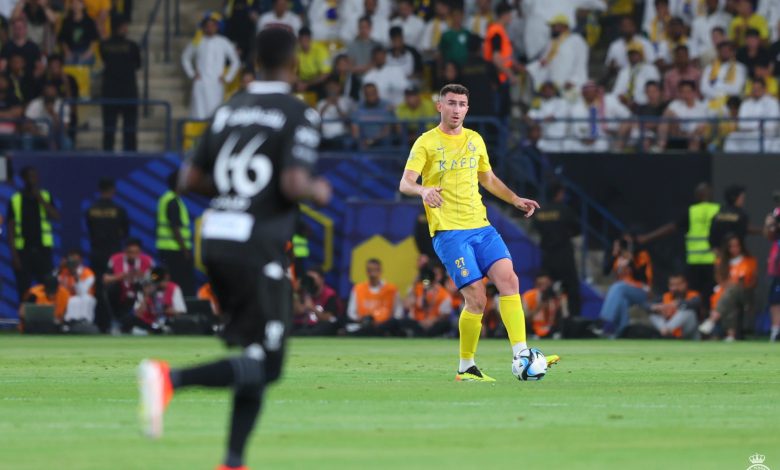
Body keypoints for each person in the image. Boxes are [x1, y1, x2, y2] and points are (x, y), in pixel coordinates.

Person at [138, 27, 331, 470]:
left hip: (217, 238)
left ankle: (232, 461)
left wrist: (236, 195)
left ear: (254, 63)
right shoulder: (298, 111)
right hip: (257, 247)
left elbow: (188, 179)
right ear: (295, 63)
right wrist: (318, 190)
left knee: (253, 356)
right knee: (270, 365)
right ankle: (169, 379)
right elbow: (293, 184)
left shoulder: (228, 108)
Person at [399, 83, 559, 382]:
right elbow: (405, 182)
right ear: (439, 106)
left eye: (462, 104)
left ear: (467, 109)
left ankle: (522, 353)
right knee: (476, 298)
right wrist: (423, 190)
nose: (456, 109)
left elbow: (488, 178)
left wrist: (515, 199)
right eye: (451, 103)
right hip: (449, 231)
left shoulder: (475, 139)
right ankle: (466, 366)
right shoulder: (426, 142)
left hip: (481, 227)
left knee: (509, 280)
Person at [639, 182, 720, 298]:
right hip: (713, 260)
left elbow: (671, 227)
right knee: (713, 292)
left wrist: (647, 237)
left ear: (697, 196)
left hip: (694, 260)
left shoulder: (692, 211)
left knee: (694, 294)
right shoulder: (718, 210)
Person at [6, 166, 59, 302]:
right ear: (24, 179)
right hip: (23, 252)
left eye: (35, 176)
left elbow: (56, 216)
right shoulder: (16, 199)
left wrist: (40, 199)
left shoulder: (45, 196)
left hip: (43, 251)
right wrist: (14, 256)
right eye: (30, 177)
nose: (33, 180)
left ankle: (46, 313)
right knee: (24, 290)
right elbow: (10, 230)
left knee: (47, 287)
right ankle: (25, 314)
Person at [85, 177, 129, 331]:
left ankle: (101, 323)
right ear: (112, 190)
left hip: (96, 253)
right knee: (116, 287)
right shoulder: (119, 210)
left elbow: (90, 230)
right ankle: (117, 321)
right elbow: (124, 233)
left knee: (98, 288)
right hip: (114, 254)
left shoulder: (91, 210)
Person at [532, 182, 581, 317]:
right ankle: (572, 320)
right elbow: (577, 229)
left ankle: (549, 320)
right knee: (571, 288)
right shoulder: (565, 210)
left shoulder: (540, 212)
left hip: (547, 255)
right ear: (559, 193)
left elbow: (536, 228)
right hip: (564, 254)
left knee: (546, 290)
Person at [181, 12, 241, 119]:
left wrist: (227, 77)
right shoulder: (197, 41)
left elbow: (235, 61)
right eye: (207, 25)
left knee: (215, 111)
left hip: (217, 83)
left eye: (213, 25)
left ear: (217, 27)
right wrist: (192, 74)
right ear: (203, 27)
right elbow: (185, 58)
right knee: (199, 112)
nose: (210, 28)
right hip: (201, 82)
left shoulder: (223, 42)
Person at [700, 233, 757, 341]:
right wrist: (730, 285)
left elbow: (753, 281)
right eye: (731, 246)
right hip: (726, 293)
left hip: (745, 293)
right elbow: (720, 280)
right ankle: (731, 335)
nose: (734, 249)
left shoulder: (749, 260)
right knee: (730, 297)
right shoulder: (721, 261)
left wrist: (738, 285)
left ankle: (712, 320)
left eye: (737, 246)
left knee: (732, 291)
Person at [599, 232, 653, 337]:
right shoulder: (618, 257)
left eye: (629, 242)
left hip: (641, 291)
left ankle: (603, 321)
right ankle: (622, 332)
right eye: (624, 242)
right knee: (622, 300)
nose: (627, 245)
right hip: (623, 291)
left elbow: (643, 279)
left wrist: (631, 262)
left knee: (618, 287)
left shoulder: (641, 255)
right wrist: (614, 255)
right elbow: (605, 272)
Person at [99, 16, 140, 152]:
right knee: (128, 129)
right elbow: (138, 64)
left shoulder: (104, 45)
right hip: (127, 91)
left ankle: (108, 155)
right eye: (124, 26)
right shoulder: (132, 46)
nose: (126, 29)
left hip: (111, 91)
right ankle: (129, 156)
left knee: (110, 130)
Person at [526, 14, 590, 95]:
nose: (551, 29)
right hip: (553, 87)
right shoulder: (551, 43)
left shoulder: (576, 40)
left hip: (571, 86)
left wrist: (574, 80)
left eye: (554, 26)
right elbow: (543, 63)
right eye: (551, 27)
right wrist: (529, 69)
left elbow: (581, 63)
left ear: (564, 27)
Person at [156, 171, 195, 296]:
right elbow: (175, 227)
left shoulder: (166, 199)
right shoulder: (172, 201)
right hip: (176, 251)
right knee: (182, 286)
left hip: (168, 250)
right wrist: (185, 250)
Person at [104, 238, 154, 330]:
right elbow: (105, 279)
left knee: (149, 289)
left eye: (136, 252)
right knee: (111, 288)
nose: (133, 255)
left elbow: (155, 282)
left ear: (140, 252)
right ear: (125, 251)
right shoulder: (115, 259)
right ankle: (114, 321)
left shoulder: (148, 261)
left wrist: (143, 276)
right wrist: (122, 276)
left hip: (140, 292)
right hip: (120, 292)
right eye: (130, 252)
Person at [346, 258, 403, 335]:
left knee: (394, 324)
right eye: (370, 270)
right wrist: (360, 320)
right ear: (367, 272)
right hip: (364, 324)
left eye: (376, 270)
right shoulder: (358, 289)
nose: (373, 273)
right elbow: (351, 312)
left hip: (385, 326)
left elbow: (398, 312)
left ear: (380, 271)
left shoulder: (391, 290)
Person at [125, 266, 187, 334]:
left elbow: (181, 312)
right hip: (149, 323)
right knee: (131, 322)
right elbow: (138, 315)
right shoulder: (144, 290)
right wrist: (146, 296)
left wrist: (166, 310)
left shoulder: (174, 288)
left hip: (166, 321)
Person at [656, 80, 709, 151]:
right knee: (667, 114)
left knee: (698, 134)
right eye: (683, 92)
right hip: (677, 132)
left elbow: (703, 125)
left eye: (688, 91)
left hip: (694, 134)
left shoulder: (702, 107)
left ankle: (692, 156)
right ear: (679, 93)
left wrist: (693, 133)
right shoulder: (674, 104)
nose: (685, 94)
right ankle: (660, 146)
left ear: (694, 92)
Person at [403, 262, 453, 337]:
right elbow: (406, 305)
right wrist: (414, 285)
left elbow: (445, 314)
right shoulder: (417, 288)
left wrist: (432, 321)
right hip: (417, 322)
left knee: (445, 324)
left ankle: (423, 335)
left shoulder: (443, 294)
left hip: (433, 323)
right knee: (400, 322)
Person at [648, 273, 702, 339]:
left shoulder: (693, 295)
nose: (675, 288)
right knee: (653, 315)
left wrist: (677, 304)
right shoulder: (666, 296)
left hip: (688, 332)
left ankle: (667, 329)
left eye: (678, 284)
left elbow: (696, 303)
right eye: (672, 285)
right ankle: (665, 330)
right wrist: (657, 308)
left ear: (685, 284)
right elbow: (646, 305)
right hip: (668, 331)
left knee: (687, 312)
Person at [294, 267, 343, 336]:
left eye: (312, 279)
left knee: (328, 326)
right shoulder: (303, 292)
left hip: (321, 325)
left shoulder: (330, 295)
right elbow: (297, 311)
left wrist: (312, 308)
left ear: (322, 279)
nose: (310, 282)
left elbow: (329, 318)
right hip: (304, 325)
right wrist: (295, 291)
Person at [612, 43, 661, 110]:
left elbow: (655, 91)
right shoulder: (623, 72)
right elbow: (617, 92)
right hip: (626, 106)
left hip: (645, 105)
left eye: (635, 54)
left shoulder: (651, 69)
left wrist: (638, 103)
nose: (633, 56)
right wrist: (624, 100)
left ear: (641, 55)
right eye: (630, 54)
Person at [57, 249, 97, 325]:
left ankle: (85, 323)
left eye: (75, 259)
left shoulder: (87, 272)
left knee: (83, 299)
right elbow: (54, 285)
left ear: (81, 260)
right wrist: (59, 268)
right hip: (67, 299)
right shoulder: (63, 272)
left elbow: (82, 292)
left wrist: (75, 275)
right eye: (71, 259)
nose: (73, 262)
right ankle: (67, 324)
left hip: (84, 299)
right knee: (70, 300)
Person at [522, 271, 567, 339]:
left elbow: (565, 316)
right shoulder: (528, 296)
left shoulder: (558, 296)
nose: (543, 288)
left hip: (552, 330)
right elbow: (524, 319)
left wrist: (560, 302)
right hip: (533, 330)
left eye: (546, 284)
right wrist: (539, 307)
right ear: (535, 284)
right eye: (540, 284)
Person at [351, 82, 393, 149]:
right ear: (364, 94)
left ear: (377, 92)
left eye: (373, 93)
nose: (370, 95)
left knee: (387, 141)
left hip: (381, 140)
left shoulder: (386, 106)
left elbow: (386, 130)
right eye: (367, 93)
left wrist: (372, 141)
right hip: (362, 141)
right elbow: (355, 130)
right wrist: (361, 141)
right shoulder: (357, 107)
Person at [709, 184, 752, 248]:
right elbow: (742, 235)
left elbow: (712, 235)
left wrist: (716, 249)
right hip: (735, 251)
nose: (743, 200)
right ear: (734, 198)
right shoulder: (741, 215)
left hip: (719, 251)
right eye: (742, 198)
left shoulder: (718, 214)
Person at [57, 0, 99, 65]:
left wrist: (86, 55)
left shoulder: (89, 21)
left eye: (78, 3)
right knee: (68, 62)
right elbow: (62, 40)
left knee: (82, 63)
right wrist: (67, 53)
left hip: (85, 51)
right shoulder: (66, 21)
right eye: (73, 3)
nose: (75, 6)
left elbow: (94, 41)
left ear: (83, 5)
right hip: (71, 51)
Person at [295, 27, 331, 95]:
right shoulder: (296, 51)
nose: (304, 43)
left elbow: (325, 74)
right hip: (301, 80)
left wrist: (307, 84)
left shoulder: (321, 50)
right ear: (299, 40)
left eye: (306, 40)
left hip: (317, 80)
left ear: (310, 39)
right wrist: (299, 82)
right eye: (302, 41)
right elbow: (292, 71)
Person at [764, 199, 780, 342]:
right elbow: (769, 235)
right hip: (777, 266)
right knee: (775, 299)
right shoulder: (776, 212)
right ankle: (775, 331)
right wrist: (770, 224)